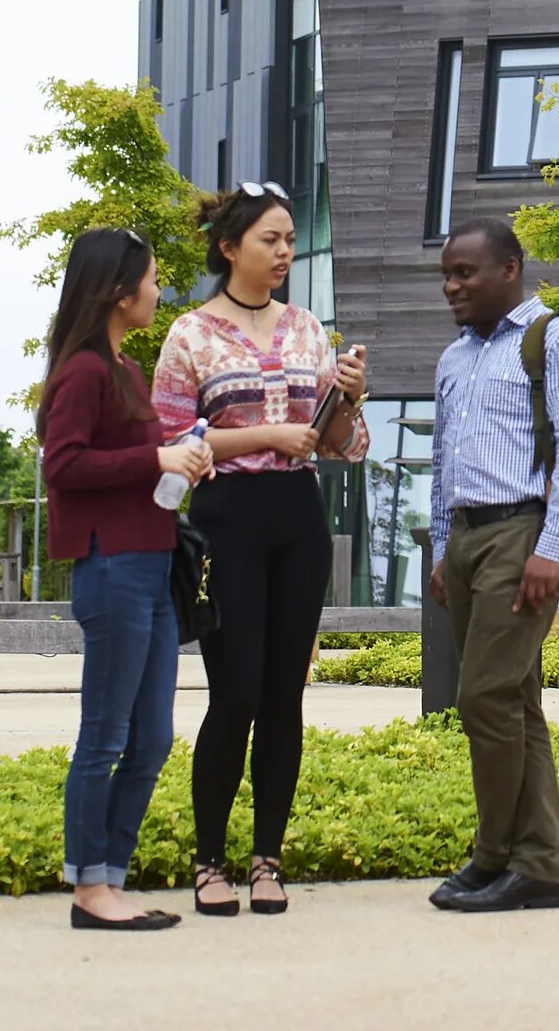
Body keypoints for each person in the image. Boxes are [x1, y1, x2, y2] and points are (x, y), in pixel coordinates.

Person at [153, 183, 371, 915]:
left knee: (285, 694)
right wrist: (263, 437)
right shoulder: (189, 334)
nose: (284, 252)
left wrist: (350, 399)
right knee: (236, 691)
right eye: (270, 240)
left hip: (297, 518)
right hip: (227, 517)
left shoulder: (309, 328)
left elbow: (339, 445)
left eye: (289, 240)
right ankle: (208, 860)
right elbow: (170, 440)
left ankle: (267, 860)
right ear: (229, 247)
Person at [426, 218, 559, 913]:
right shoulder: (455, 358)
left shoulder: (557, 340)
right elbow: (445, 461)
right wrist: (443, 549)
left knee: (482, 698)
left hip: (521, 533)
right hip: (470, 537)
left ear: (509, 270)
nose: (452, 286)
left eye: (465, 273)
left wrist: (551, 551)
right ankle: (536, 867)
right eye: (446, 274)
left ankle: (494, 855)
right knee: (516, 704)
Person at [38, 226, 210, 932]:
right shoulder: (81, 371)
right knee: (105, 737)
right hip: (111, 568)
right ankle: (89, 890)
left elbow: (130, 464)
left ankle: (109, 877)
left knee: (153, 740)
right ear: (118, 289)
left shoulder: (124, 372)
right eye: (151, 278)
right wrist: (156, 462)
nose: (158, 290)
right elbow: (63, 466)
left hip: (151, 562)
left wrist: (177, 457)